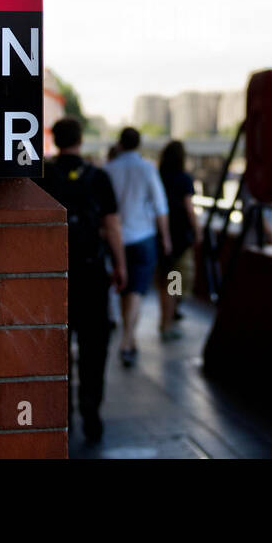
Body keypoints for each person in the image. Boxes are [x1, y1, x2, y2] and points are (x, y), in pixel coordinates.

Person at [37, 117, 125, 442]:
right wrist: (120, 265)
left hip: (52, 275)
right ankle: (91, 414)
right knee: (94, 346)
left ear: (55, 140)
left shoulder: (43, 175)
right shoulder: (98, 177)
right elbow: (112, 225)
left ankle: (62, 417)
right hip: (91, 273)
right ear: (81, 140)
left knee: (56, 347)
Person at [104, 127, 170, 367]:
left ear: (120, 143)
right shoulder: (147, 169)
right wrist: (166, 237)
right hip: (143, 237)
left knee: (124, 288)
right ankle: (128, 339)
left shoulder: (108, 170)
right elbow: (161, 207)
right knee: (136, 291)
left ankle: (128, 337)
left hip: (115, 239)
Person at [157, 140, 201, 341]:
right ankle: (169, 323)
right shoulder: (184, 179)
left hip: (160, 234)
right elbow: (189, 208)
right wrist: (197, 230)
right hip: (180, 238)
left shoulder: (159, 176)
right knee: (176, 282)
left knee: (165, 281)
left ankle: (166, 321)